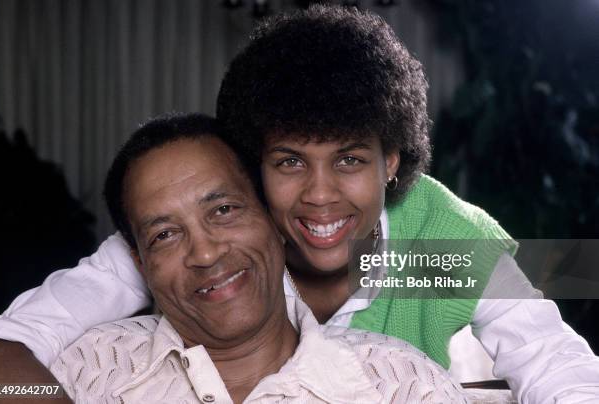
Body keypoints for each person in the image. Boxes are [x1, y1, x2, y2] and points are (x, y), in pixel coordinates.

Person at [0, 5, 598, 403]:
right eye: (289, 162)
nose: (320, 193)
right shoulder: (191, 238)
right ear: (255, 167)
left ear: (392, 162)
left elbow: (556, 364)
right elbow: (5, 352)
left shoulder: (436, 247)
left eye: (350, 160)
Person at [49, 112, 469, 403]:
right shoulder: (91, 365)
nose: (206, 252)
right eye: (165, 234)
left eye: (224, 210)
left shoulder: (405, 386)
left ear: (271, 218)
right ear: (141, 263)